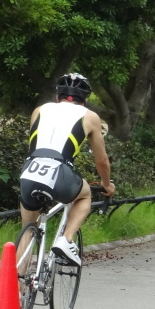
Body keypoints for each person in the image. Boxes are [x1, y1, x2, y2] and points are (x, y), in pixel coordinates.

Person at [19, 73, 116, 266]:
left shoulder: (39, 110)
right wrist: (107, 185)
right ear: (84, 101)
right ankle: (66, 239)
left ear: (57, 97)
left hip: (30, 170)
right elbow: (102, 161)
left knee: (28, 231)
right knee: (84, 195)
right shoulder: (90, 116)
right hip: (60, 171)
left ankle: (18, 287)